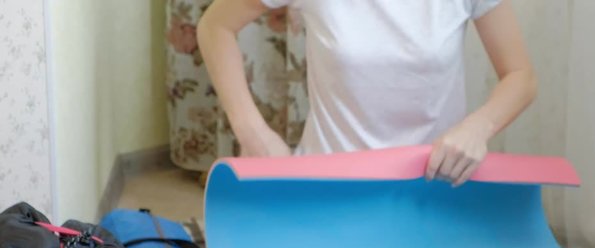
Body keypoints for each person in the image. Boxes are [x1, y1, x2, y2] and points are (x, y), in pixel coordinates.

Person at [197, 0, 536, 185]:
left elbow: (520, 76)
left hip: (432, 182)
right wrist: (253, 132)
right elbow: (215, 26)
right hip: (332, 182)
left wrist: (477, 127)